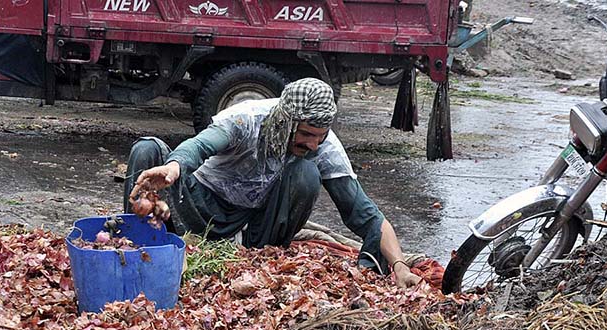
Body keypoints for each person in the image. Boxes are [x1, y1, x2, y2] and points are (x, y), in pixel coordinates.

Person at [124, 78, 423, 289]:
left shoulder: (322, 145)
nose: (314, 144)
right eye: (306, 134)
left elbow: (366, 214)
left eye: (320, 136)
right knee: (147, 148)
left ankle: (262, 256)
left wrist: (398, 265)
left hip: (254, 228)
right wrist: (174, 167)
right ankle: (136, 246)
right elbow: (200, 146)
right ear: (286, 121)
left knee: (307, 173)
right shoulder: (247, 119)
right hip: (200, 208)